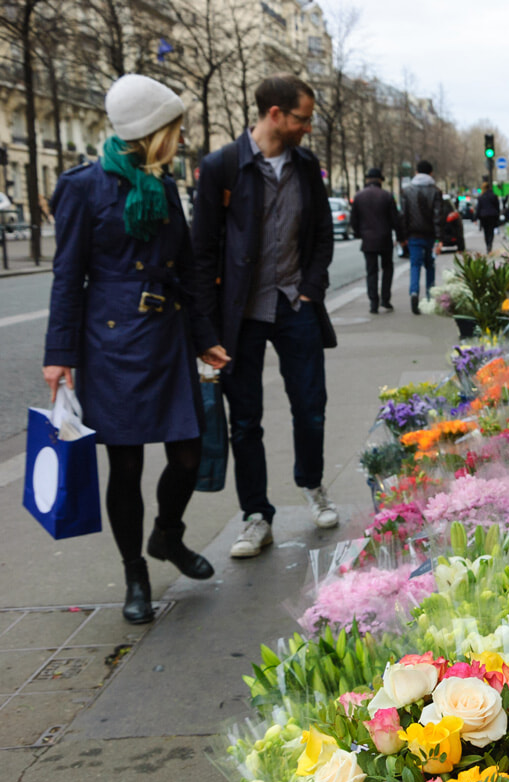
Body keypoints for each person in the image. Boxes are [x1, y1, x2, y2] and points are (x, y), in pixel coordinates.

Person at [42, 74, 230, 624]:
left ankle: (167, 535)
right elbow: (66, 275)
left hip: (167, 336)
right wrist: (60, 354)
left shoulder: (166, 185)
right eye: (172, 126)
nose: (178, 135)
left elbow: (189, 270)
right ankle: (135, 573)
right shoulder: (83, 187)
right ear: (152, 130)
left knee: (189, 454)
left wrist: (206, 338)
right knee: (124, 469)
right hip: (110, 344)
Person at [191, 74, 339, 559]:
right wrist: (206, 330)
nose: (307, 127)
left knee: (310, 407)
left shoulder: (306, 165)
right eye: (302, 118)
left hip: (295, 305)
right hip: (242, 316)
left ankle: (312, 486)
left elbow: (321, 235)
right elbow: (203, 251)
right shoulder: (222, 167)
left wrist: (312, 290)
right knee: (245, 420)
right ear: (275, 114)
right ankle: (256, 516)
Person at [350, 167, 402, 313]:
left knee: (371, 271)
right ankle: (385, 299)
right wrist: (400, 237)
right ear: (380, 180)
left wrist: (359, 234)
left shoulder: (359, 196)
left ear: (367, 180)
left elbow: (354, 220)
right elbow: (395, 220)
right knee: (387, 269)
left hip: (368, 240)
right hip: (385, 239)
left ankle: (373, 302)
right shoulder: (386, 196)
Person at [399, 160, 444, 314]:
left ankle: (414, 292)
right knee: (430, 265)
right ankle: (430, 296)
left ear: (416, 172)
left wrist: (403, 237)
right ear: (431, 173)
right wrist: (439, 239)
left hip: (413, 235)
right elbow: (438, 217)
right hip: (430, 235)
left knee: (415, 265)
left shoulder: (406, 191)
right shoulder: (436, 191)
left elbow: (403, 216)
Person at [476, 182, 502, 253]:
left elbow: (478, 208)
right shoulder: (494, 196)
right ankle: (490, 244)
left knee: (486, 231)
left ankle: (488, 244)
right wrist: (497, 215)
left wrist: (476, 217)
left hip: (484, 216)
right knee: (491, 231)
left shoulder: (481, 197)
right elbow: (497, 207)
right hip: (492, 215)